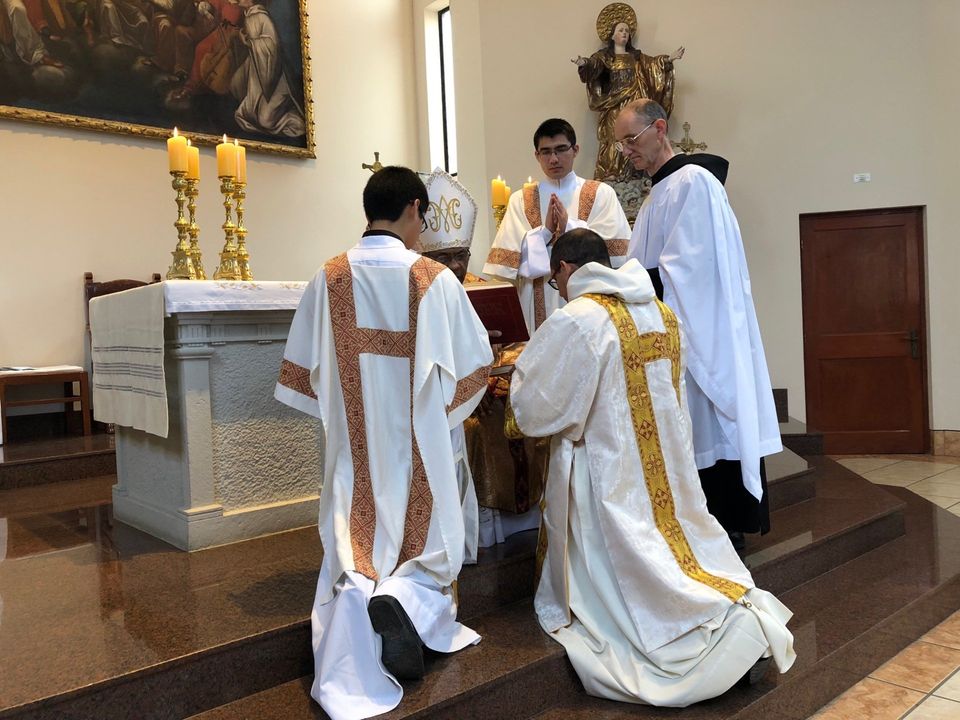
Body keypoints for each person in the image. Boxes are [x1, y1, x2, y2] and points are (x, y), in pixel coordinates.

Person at [508, 229, 796, 707]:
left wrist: (519, 380)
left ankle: (710, 646)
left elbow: (539, 406)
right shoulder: (660, 314)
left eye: (556, 280)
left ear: (563, 270)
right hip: (666, 470)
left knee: (627, 574)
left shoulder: (578, 319)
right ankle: (733, 621)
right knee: (678, 550)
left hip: (608, 473)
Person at [275, 166, 493, 720]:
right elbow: (473, 371)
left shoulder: (328, 277)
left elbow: (301, 377)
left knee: (355, 552)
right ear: (416, 210)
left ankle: (360, 597)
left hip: (355, 454)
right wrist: (433, 417)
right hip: (420, 452)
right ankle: (406, 600)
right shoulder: (434, 279)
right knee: (429, 550)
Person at [614, 98, 782, 554]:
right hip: (674, 332)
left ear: (660, 128)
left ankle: (727, 523)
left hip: (702, 331)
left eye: (631, 139)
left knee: (711, 424)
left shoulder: (694, 182)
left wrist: (626, 280)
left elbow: (692, 268)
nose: (625, 150)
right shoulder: (656, 195)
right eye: (620, 142)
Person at [419, 168, 544, 547]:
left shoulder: (481, 288)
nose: (456, 267)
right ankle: (483, 525)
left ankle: (524, 518)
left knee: (522, 404)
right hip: (449, 395)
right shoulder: (420, 294)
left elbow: (515, 344)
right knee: (479, 421)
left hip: (491, 381)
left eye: (461, 256)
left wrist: (495, 368)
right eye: (444, 257)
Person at [482, 117, 632, 335]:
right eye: (546, 152)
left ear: (575, 150)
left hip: (590, 302)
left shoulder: (600, 193)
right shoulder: (521, 199)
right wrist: (544, 233)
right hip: (537, 296)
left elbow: (614, 254)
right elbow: (507, 263)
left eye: (561, 149)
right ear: (537, 155)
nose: (554, 159)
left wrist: (569, 227)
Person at [572, 2, 682, 181]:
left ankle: (634, 176)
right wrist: (584, 64)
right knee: (614, 142)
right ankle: (612, 175)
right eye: (621, 30)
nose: (624, 33)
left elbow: (653, 65)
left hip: (635, 106)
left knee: (637, 140)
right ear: (612, 35)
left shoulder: (637, 58)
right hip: (613, 108)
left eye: (627, 31)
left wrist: (668, 60)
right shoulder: (605, 58)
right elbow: (594, 67)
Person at [230, 0, 305, 137]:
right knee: (245, 112)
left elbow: (272, 45)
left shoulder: (261, 16)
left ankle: (289, 107)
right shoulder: (249, 15)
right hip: (257, 71)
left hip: (274, 78)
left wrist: (248, 41)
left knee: (266, 121)